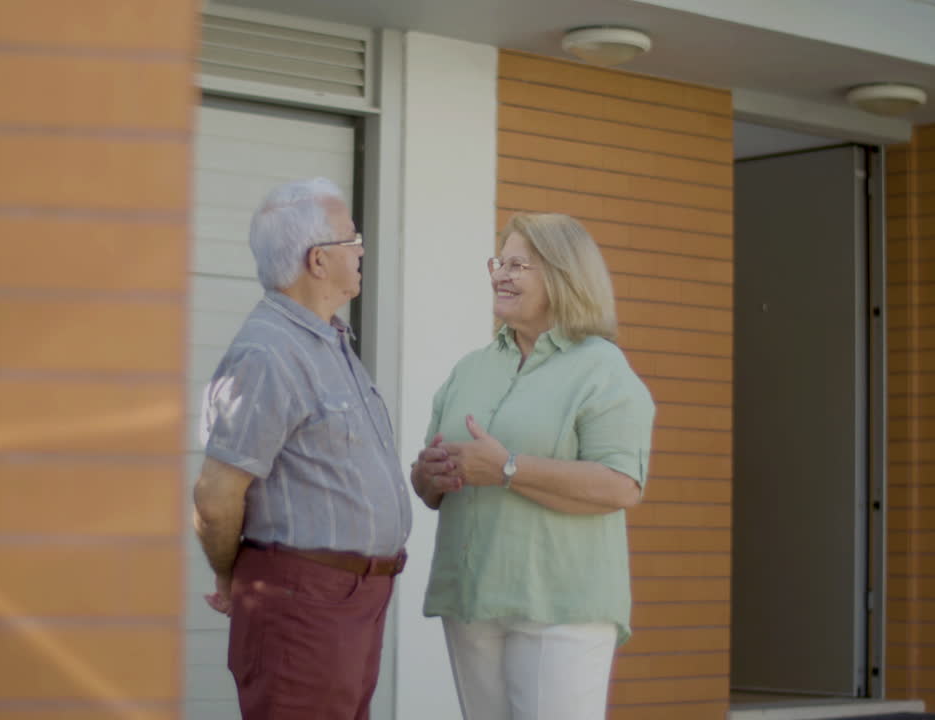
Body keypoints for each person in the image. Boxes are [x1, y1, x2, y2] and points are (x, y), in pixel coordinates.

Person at [411, 213, 656, 720]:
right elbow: (429, 482)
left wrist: (508, 469)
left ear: (565, 276)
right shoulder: (470, 368)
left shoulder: (602, 369)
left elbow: (621, 486)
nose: (501, 274)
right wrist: (428, 477)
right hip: (472, 600)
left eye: (519, 264)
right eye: (499, 262)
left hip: (563, 607)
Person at [193, 177, 411, 720]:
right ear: (318, 260)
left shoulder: (326, 341)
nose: (361, 249)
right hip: (303, 603)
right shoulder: (269, 352)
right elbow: (217, 498)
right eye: (351, 238)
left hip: (350, 603)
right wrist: (229, 572)